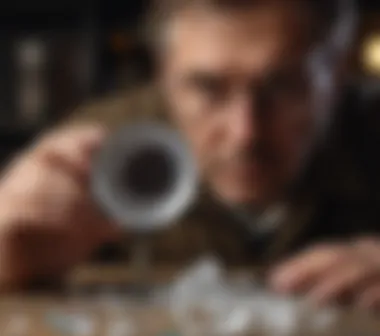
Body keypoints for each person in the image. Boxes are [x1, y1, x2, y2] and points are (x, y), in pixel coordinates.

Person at [0, 0, 380, 309]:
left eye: (282, 87)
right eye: (208, 88)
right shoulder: (95, 153)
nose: (244, 133)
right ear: (163, 74)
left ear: (338, 72)